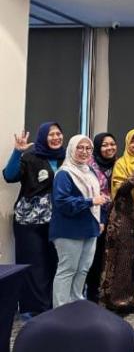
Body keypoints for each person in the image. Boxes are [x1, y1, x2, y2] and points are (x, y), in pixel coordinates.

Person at [3, 122, 65, 316]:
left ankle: (53, 306)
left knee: (56, 263)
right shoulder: (31, 157)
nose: (55, 137)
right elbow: (9, 176)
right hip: (29, 222)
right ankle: (36, 310)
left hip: (58, 222)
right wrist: (17, 152)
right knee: (34, 266)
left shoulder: (68, 158)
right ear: (43, 137)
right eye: (51, 134)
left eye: (58, 134)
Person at [49, 135, 109, 307]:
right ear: (71, 149)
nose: (84, 152)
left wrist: (100, 219)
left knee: (83, 269)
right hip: (69, 230)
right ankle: (61, 308)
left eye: (88, 148)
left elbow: (97, 197)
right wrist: (90, 201)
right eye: (80, 148)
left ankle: (75, 304)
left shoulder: (89, 171)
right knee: (68, 270)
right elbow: (62, 202)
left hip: (90, 228)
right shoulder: (64, 173)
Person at [100, 128, 134, 310]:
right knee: (123, 257)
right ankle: (119, 301)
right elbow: (120, 190)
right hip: (124, 215)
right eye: (133, 141)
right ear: (128, 144)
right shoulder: (121, 162)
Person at [85, 132, 117, 303]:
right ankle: (91, 296)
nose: (109, 148)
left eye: (112, 144)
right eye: (104, 145)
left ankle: (108, 295)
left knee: (110, 257)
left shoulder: (120, 164)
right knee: (94, 258)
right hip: (95, 217)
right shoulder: (89, 167)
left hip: (117, 218)